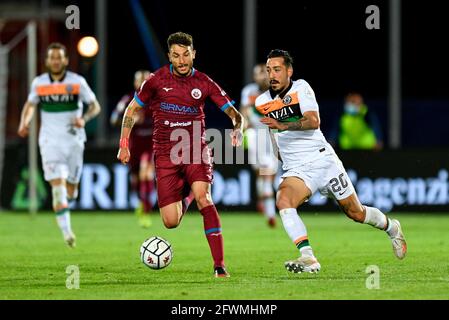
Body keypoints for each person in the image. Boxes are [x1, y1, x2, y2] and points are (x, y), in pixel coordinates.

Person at [255, 49, 406, 273]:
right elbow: (271, 130)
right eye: (269, 70)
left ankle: (392, 227)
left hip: (323, 161)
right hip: (297, 169)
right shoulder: (261, 101)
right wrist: (276, 151)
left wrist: (284, 124)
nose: (272, 75)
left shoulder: (301, 88)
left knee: (356, 213)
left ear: (289, 71)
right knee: (284, 200)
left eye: (277, 69)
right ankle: (308, 257)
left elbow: (313, 121)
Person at [117, 32, 244, 278]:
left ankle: (219, 265)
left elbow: (234, 113)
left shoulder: (205, 82)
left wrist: (237, 128)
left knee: (204, 198)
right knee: (170, 222)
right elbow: (131, 110)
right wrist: (124, 144)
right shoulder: (155, 80)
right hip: (165, 154)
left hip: (196, 149)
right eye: (176, 55)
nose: (182, 60)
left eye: (186, 54)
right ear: (169, 57)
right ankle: (186, 195)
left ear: (194, 54)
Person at [17, 42, 101, 247]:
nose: (55, 61)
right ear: (46, 61)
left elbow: (95, 106)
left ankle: (65, 207)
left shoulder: (77, 82)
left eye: (59, 57)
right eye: (52, 57)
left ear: (65, 60)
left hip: (74, 141)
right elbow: (30, 105)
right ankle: (67, 233)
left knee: (71, 190)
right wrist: (24, 122)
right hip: (49, 142)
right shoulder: (39, 83)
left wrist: (84, 118)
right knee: (58, 187)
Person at [110, 70, 155, 228]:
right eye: (140, 80)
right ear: (135, 83)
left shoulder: (157, 100)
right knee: (136, 179)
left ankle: (146, 212)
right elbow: (114, 119)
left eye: (146, 80)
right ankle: (142, 204)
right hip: (134, 147)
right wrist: (130, 120)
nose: (143, 83)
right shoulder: (129, 100)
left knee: (146, 173)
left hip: (151, 145)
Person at [240, 63, 278, 227]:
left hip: (272, 136)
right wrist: (242, 126)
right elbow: (244, 111)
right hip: (255, 134)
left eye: (264, 74)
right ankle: (267, 207)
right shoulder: (249, 91)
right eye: (258, 74)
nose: (261, 77)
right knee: (262, 173)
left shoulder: (277, 92)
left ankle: (266, 205)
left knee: (268, 174)